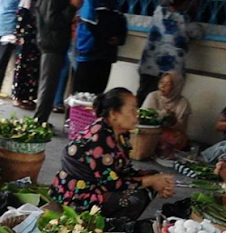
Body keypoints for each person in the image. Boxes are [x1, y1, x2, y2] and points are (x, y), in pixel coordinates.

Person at [50, 88, 175, 220]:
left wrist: (157, 180)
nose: (136, 115)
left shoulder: (121, 133)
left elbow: (124, 170)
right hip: (78, 195)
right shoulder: (99, 138)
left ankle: (116, 221)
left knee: (153, 175)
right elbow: (110, 184)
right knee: (135, 198)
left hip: (100, 184)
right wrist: (150, 181)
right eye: (132, 110)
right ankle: (106, 227)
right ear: (114, 114)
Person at [136, 0, 203, 106]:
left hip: (148, 65)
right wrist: (193, 13)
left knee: (142, 98)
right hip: (167, 72)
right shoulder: (183, 20)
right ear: (186, 3)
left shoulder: (158, 12)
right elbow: (198, 33)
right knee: (159, 104)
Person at [33, 0, 81, 123]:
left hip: (55, 42)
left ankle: (42, 120)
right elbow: (52, 21)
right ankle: (39, 122)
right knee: (48, 86)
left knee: (50, 85)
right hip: (51, 43)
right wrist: (72, 7)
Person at [74, 0, 127, 94]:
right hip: (89, 52)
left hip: (106, 54)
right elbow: (90, 23)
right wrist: (106, 39)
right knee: (82, 94)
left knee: (99, 92)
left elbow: (121, 23)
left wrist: (120, 39)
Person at [10, 0, 46, 111]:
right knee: (23, 67)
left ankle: (29, 97)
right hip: (27, 36)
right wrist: (18, 34)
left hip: (36, 36)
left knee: (33, 68)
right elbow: (22, 14)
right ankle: (17, 97)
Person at [142, 71, 192, 158]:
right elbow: (143, 120)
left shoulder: (183, 102)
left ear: (176, 87)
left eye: (167, 84)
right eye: (161, 82)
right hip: (151, 131)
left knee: (180, 139)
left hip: (169, 133)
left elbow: (182, 129)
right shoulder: (153, 96)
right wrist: (162, 114)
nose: (162, 86)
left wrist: (173, 121)